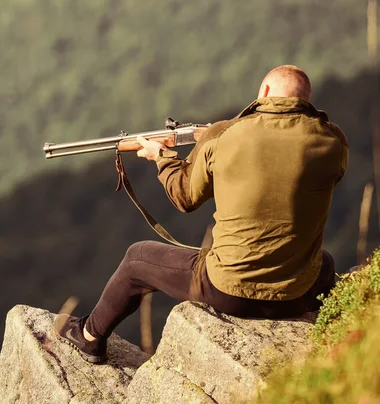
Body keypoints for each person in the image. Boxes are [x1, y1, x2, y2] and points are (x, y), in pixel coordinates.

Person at [54, 65, 348, 364]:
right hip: (295, 294)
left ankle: (89, 336)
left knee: (136, 258)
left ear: (265, 93)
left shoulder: (224, 136)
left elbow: (184, 197)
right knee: (324, 262)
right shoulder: (333, 142)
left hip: (228, 290)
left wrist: (163, 158)